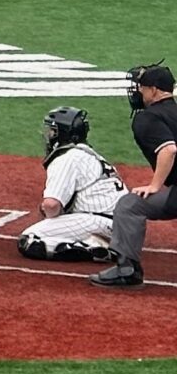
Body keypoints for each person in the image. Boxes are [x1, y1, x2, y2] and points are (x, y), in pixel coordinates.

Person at [96, 63, 177, 288]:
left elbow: (169, 150)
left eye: (141, 88)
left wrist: (155, 185)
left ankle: (127, 270)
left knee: (130, 205)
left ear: (154, 90)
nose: (138, 92)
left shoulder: (148, 118)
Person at [15, 107, 123, 263]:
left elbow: (51, 205)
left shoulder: (67, 158)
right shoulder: (89, 154)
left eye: (53, 131)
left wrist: (50, 217)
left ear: (64, 134)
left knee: (30, 241)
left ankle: (92, 249)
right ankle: (94, 242)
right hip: (125, 226)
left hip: (100, 222)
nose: (48, 136)